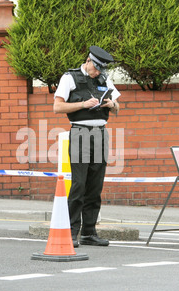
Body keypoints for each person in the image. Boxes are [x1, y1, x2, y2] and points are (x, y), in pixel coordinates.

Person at [53, 46, 121, 247]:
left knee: (95, 186)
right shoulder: (70, 78)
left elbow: (118, 106)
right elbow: (57, 106)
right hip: (80, 132)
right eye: (96, 69)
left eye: (101, 70)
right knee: (79, 185)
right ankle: (72, 232)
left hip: (100, 133)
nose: (98, 73)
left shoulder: (104, 79)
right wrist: (83, 104)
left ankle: (89, 233)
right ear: (88, 61)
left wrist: (111, 105)